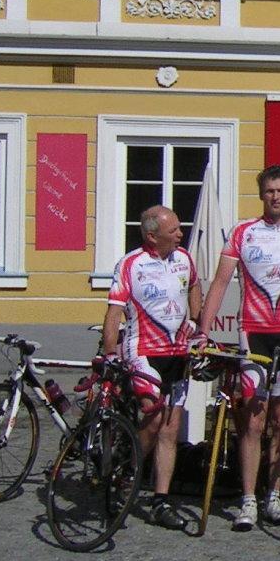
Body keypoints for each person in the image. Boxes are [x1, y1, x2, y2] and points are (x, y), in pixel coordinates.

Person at [197, 165, 280, 532]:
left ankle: (275, 495)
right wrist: (204, 331)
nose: (276, 197)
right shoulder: (243, 232)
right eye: (270, 191)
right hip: (254, 333)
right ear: (262, 194)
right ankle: (248, 498)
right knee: (253, 418)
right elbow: (220, 283)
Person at [103, 205, 202, 529]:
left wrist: (198, 323)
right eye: (172, 229)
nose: (179, 233)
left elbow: (195, 286)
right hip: (142, 349)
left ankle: (161, 500)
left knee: (170, 428)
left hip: (178, 351)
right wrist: (109, 354)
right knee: (154, 414)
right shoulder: (131, 264)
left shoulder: (184, 259)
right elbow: (114, 312)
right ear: (151, 235)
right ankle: (129, 469)